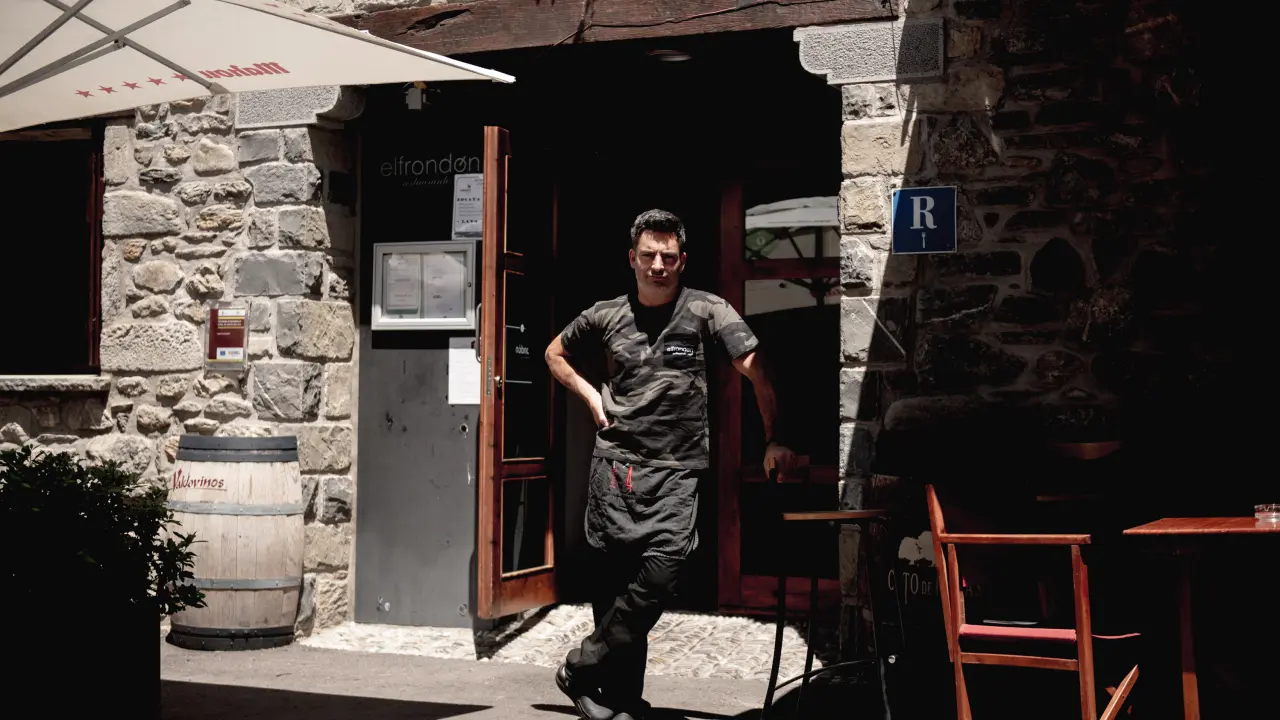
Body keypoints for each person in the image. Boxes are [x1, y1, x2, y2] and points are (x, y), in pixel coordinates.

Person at [545, 209, 796, 720]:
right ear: (632, 258)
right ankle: (614, 696)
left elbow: (757, 369)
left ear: (682, 260)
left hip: (678, 471)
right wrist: (591, 396)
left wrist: (775, 439)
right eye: (648, 255)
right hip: (617, 466)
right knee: (617, 584)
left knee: (661, 575)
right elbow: (554, 354)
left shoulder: (707, 310)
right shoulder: (605, 314)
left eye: (668, 256)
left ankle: (583, 663)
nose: (658, 265)